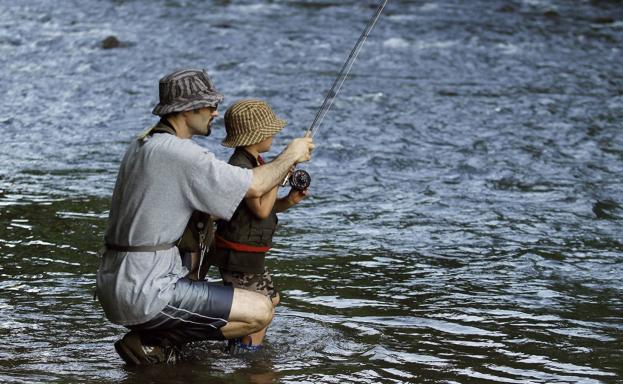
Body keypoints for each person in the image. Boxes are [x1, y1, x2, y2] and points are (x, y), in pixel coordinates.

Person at [95, 69, 314, 365]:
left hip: (117, 280)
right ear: (186, 110)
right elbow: (255, 185)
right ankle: (153, 342)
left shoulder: (143, 144)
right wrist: (290, 155)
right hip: (146, 289)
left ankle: (159, 341)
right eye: (209, 105)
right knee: (261, 310)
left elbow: (217, 205)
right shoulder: (179, 153)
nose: (215, 112)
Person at [206, 99, 309, 352]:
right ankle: (245, 356)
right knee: (261, 308)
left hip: (247, 254)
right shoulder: (242, 168)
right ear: (257, 136)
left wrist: (288, 201)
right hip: (238, 255)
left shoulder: (256, 163)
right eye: (270, 130)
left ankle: (237, 343)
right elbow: (261, 208)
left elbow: (258, 210)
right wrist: (280, 169)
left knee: (272, 299)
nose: (275, 134)